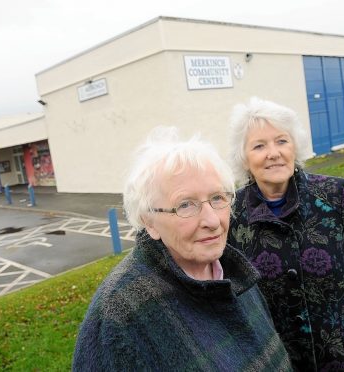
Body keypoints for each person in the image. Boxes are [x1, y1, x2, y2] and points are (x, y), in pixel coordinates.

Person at [72, 127, 292, 371]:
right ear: (149, 221)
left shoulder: (235, 271)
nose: (212, 220)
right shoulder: (119, 316)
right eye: (185, 205)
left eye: (218, 198)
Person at [227, 97, 344, 371]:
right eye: (259, 146)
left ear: (294, 147)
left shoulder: (336, 195)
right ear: (244, 158)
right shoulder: (229, 214)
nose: (273, 153)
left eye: (282, 141)